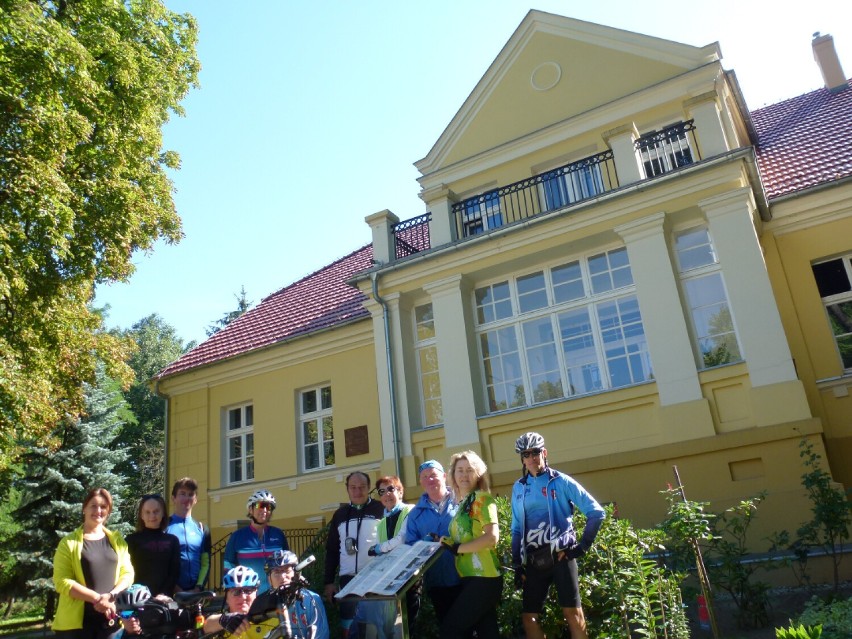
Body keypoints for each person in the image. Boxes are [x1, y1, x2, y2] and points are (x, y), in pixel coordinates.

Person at [511, 432, 606, 639]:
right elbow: (516, 528)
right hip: (534, 559)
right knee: (529, 618)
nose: (531, 458)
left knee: (572, 613)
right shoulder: (519, 488)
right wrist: (517, 564)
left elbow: (596, 513)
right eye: (526, 454)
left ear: (544, 453)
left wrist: (581, 547)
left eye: (535, 452)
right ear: (522, 458)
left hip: (561, 556)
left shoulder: (561, 482)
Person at [52, 488, 135, 639]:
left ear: (108, 511)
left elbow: (127, 573)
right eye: (93, 505)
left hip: (110, 623)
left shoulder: (117, 541)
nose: (98, 510)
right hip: (76, 627)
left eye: (103, 507)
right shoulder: (68, 543)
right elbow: (61, 581)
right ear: (84, 508)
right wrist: (97, 599)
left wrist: (110, 596)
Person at [438, 451, 501, 639]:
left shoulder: (482, 499)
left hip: (484, 577)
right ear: (453, 475)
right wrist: (447, 542)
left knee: (450, 630)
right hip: (469, 577)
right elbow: (467, 538)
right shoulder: (462, 504)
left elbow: (492, 537)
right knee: (487, 632)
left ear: (478, 474)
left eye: (469, 470)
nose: (464, 475)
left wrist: (457, 548)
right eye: (460, 470)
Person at [323, 471, 384, 639]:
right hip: (348, 580)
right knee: (348, 630)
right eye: (353, 487)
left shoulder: (380, 509)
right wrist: (328, 582)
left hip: (374, 578)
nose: (357, 492)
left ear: (369, 488)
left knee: (373, 629)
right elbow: (332, 550)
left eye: (362, 487)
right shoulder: (340, 514)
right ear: (347, 489)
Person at [402, 461, 459, 626]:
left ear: (444, 476)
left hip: (464, 577)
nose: (430, 480)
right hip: (436, 582)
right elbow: (411, 548)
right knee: (448, 627)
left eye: (433, 475)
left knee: (470, 628)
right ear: (421, 482)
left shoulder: (460, 502)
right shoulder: (415, 515)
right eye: (425, 477)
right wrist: (423, 544)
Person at [363, 476, 419, 639]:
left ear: (400, 492)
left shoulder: (410, 510)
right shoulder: (381, 523)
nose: (386, 494)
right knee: (390, 629)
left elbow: (401, 539)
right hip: (388, 581)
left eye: (391, 489)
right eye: (382, 491)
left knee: (408, 627)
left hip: (408, 578)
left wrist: (379, 548)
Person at [223, 489, 290, 594]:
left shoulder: (278, 534)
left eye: (268, 507)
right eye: (260, 506)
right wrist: (231, 591)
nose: (264, 510)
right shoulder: (237, 537)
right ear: (250, 509)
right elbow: (228, 566)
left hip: (277, 594)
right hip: (249, 595)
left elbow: (288, 562)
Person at [256, 549, 330, 639]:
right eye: (277, 572)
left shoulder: (311, 599)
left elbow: (321, 635)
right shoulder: (261, 603)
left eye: (287, 571)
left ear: (296, 574)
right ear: (269, 579)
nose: (283, 576)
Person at [125, 494, 180, 596]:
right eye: (147, 512)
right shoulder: (131, 540)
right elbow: (126, 572)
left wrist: (163, 594)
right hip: (136, 599)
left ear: (163, 513)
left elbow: (174, 573)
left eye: (156, 511)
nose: (152, 516)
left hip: (163, 600)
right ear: (141, 515)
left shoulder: (172, 541)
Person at [166, 477, 211, 592]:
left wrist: (198, 588)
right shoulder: (164, 526)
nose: (186, 498)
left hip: (196, 593)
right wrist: (175, 588)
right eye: (182, 494)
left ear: (195, 500)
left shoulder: (202, 529)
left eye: (191, 494)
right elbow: (161, 563)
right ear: (173, 498)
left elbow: (206, 564)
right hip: (171, 593)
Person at [202, 566, 259, 638]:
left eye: (248, 591)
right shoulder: (222, 619)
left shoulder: (268, 617)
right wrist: (224, 620)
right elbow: (206, 625)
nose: (243, 597)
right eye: (236, 592)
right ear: (226, 598)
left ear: (256, 594)